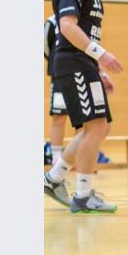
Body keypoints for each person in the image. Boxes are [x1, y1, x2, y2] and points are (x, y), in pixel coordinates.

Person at [43, 0, 123, 213]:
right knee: (95, 126)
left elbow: (86, 33)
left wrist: (98, 68)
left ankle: (54, 177)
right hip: (72, 62)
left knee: (101, 126)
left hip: (84, 63)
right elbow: (66, 26)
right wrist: (102, 55)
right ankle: (83, 194)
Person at [44, 15, 77, 165]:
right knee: (59, 117)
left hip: (79, 73)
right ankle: (56, 158)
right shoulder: (51, 22)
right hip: (59, 76)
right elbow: (45, 48)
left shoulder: (81, 19)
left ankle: (79, 157)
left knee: (84, 121)